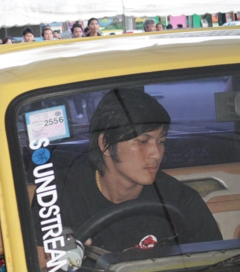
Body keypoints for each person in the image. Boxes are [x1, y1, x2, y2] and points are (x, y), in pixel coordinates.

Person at [34, 89, 221, 253]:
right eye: (143, 141)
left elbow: (214, 266)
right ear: (105, 144)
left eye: (161, 141)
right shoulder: (57, 195)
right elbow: (41, 269)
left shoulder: (181, 200)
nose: (156, 153)